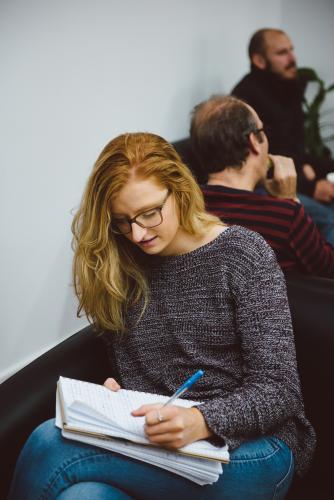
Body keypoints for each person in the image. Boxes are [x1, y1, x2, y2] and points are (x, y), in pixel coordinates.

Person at [8, 132, 315, 500]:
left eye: (149, 213)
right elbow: (147, 378)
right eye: (123, 221)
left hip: (254, 450)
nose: (138, 233)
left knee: (49, 442)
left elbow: (280, 391)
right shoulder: (124, 267)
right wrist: (119, 400)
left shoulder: (243, 254)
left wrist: (202, 421)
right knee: (82, 496)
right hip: (164, 447)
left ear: (180, 189)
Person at [190, 94, 334, 277]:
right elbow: (327, 270)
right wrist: (291, 201)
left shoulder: (186, 207)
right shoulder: (286, 217)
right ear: (253, 142)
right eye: (263, 130)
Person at [232, 28, 334, 243]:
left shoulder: (289, 87)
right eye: (282, 53)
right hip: (265, 184)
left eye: (291, 50)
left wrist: (317, 169)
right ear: (259, 60)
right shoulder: (245, 98)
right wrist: (311, 186)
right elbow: (255, 163)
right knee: (329, 219)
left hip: (294, 174)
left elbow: (295, 147)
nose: (292, 59)